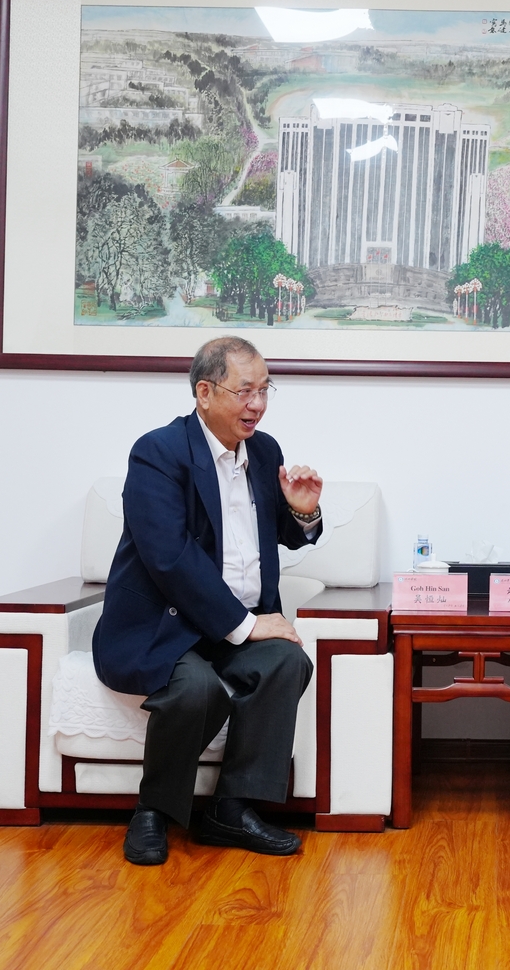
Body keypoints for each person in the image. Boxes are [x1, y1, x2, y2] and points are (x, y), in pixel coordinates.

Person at [92, 336, 324, 866]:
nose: (257, 404)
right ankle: (153, 810)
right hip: (164, 624)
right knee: (196, 689)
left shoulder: (265, 452)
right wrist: (245, 625)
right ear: (204, 392)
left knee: (286, 661)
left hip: (234, 623)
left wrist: (302, 512)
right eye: (245, 391)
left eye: (265, 390)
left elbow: (278, 534)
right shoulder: (158, 453)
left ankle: (232, 809)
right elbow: (169, 557)